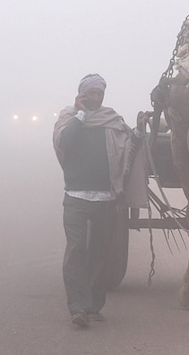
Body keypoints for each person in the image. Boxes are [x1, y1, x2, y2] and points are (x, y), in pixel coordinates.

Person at [52, 74, 135, 328]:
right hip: (76, 196)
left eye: (99, 94)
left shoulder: (112, 120)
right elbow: (66, 142)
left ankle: (93, 305)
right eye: (90, 94)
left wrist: (138, 133)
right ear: (81, 95)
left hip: (105, 197)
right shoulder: (69, 119)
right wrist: (80, 114)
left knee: (100, 252)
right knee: (76, 250)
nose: (95, 98)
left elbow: (128, 145)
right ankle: (77, 307)